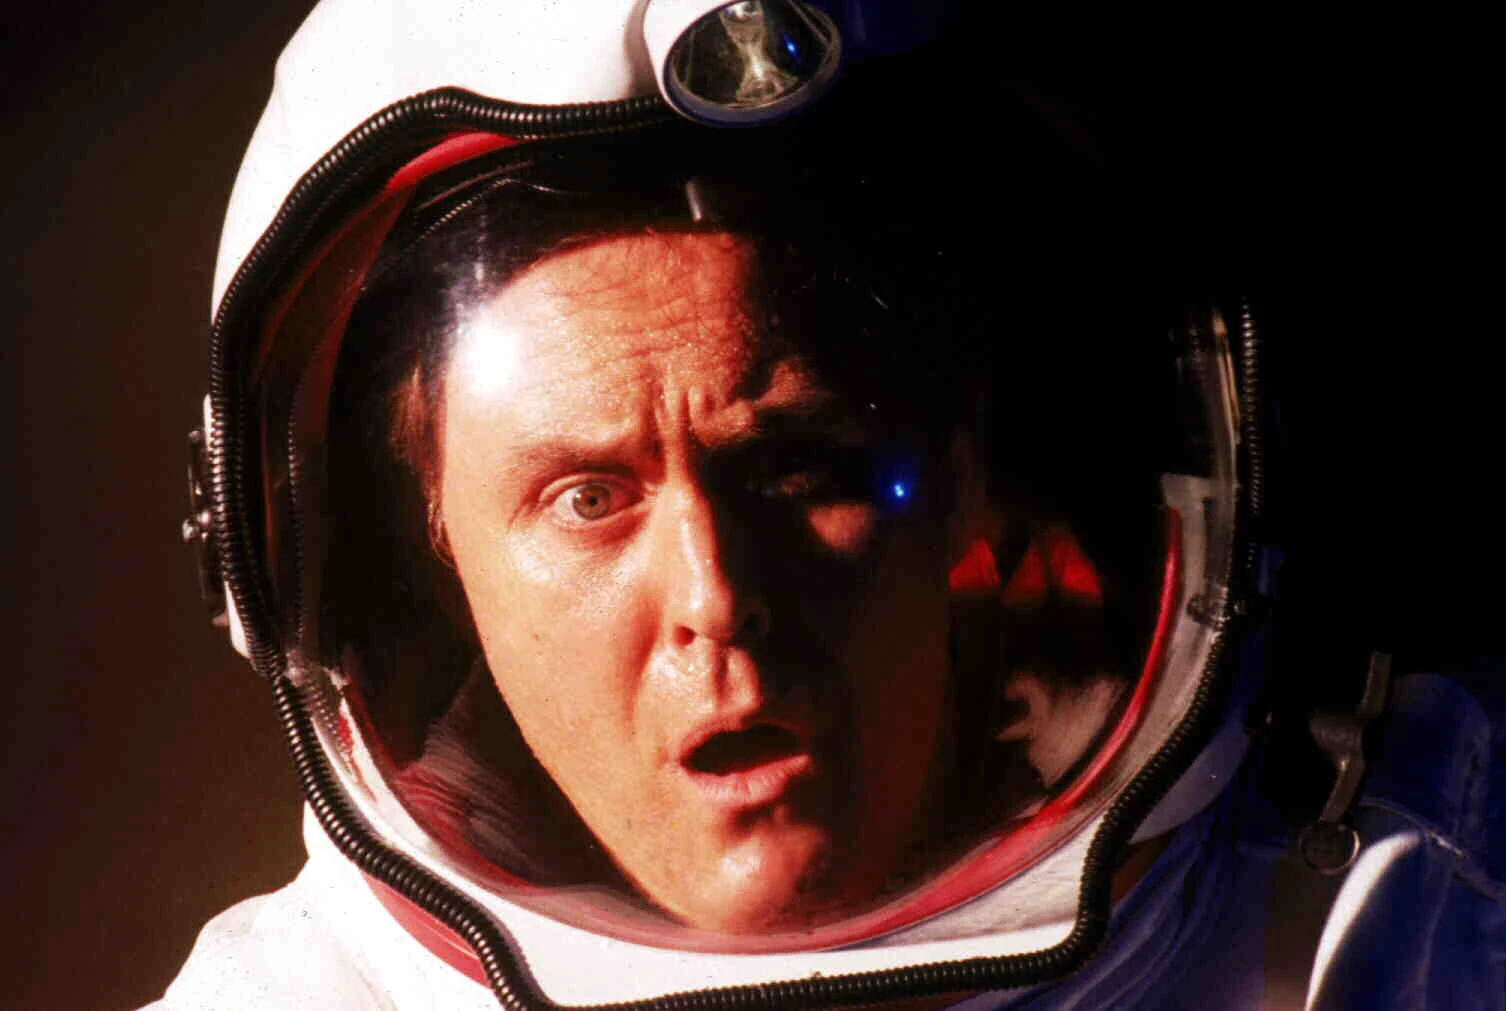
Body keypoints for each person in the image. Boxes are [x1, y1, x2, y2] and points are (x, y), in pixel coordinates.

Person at [155, 1, 1502, 1008]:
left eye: (797, 465)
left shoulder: (1410, 933)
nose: (715, 598)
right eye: (587, 497)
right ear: (438, 565)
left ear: (967, 480)